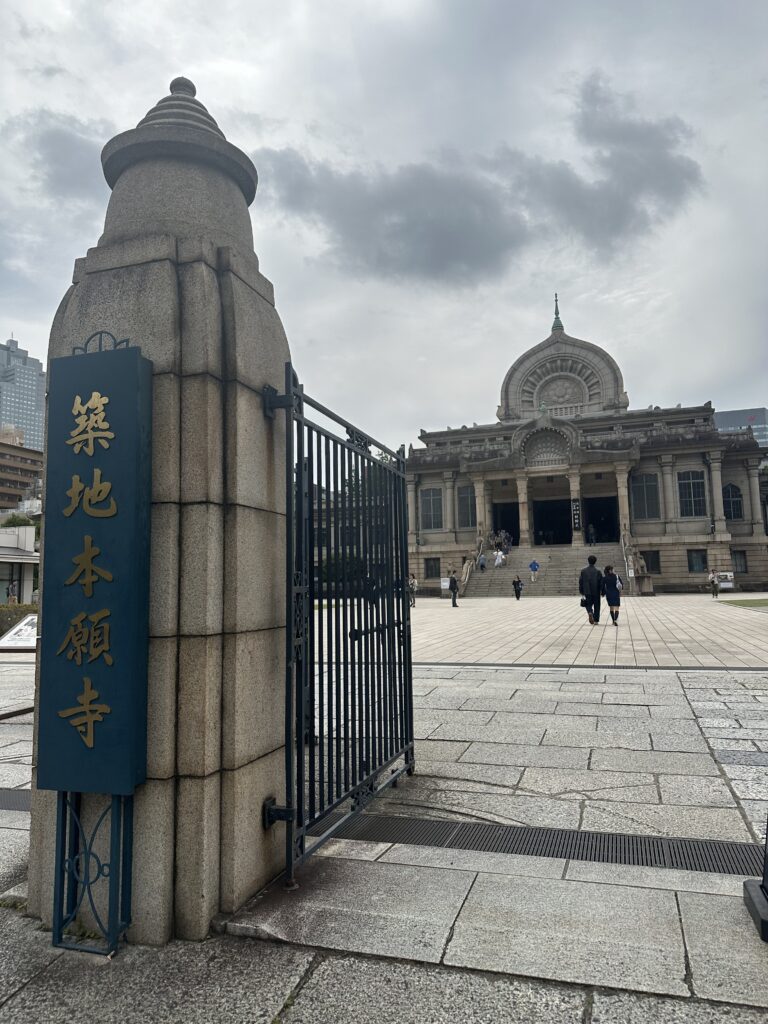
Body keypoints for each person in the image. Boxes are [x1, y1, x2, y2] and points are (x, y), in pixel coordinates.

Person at [578, 554, 603, 625]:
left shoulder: (583, 571)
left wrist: (581, 590)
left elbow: (581, 581)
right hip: (596, 591)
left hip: (587, 591)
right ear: (595, 562)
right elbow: (601, 582)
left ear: (588, 561)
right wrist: (602, 591)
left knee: (588, 604)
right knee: (597, 605)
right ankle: (596, 620)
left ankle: (590, 612)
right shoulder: (598, 571)